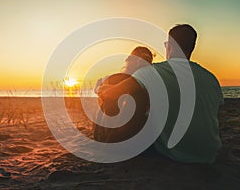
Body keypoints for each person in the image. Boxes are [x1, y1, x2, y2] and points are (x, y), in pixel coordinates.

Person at [98, 24, 224, 163]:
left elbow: (110, 94)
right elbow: (215, 114)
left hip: (174, 154)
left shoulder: (150, 72)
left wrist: (101, 87)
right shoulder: (211, 78)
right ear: (192, 47)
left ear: (169, 45)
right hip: (209, 154)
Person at [94, 46, 153, 143]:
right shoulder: (151, 80)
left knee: (108, 94)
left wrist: (100, 89)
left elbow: (98, 88)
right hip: (140, 139)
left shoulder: (116, 78)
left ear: (130, 60)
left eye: (129, 58)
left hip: (112, 137)